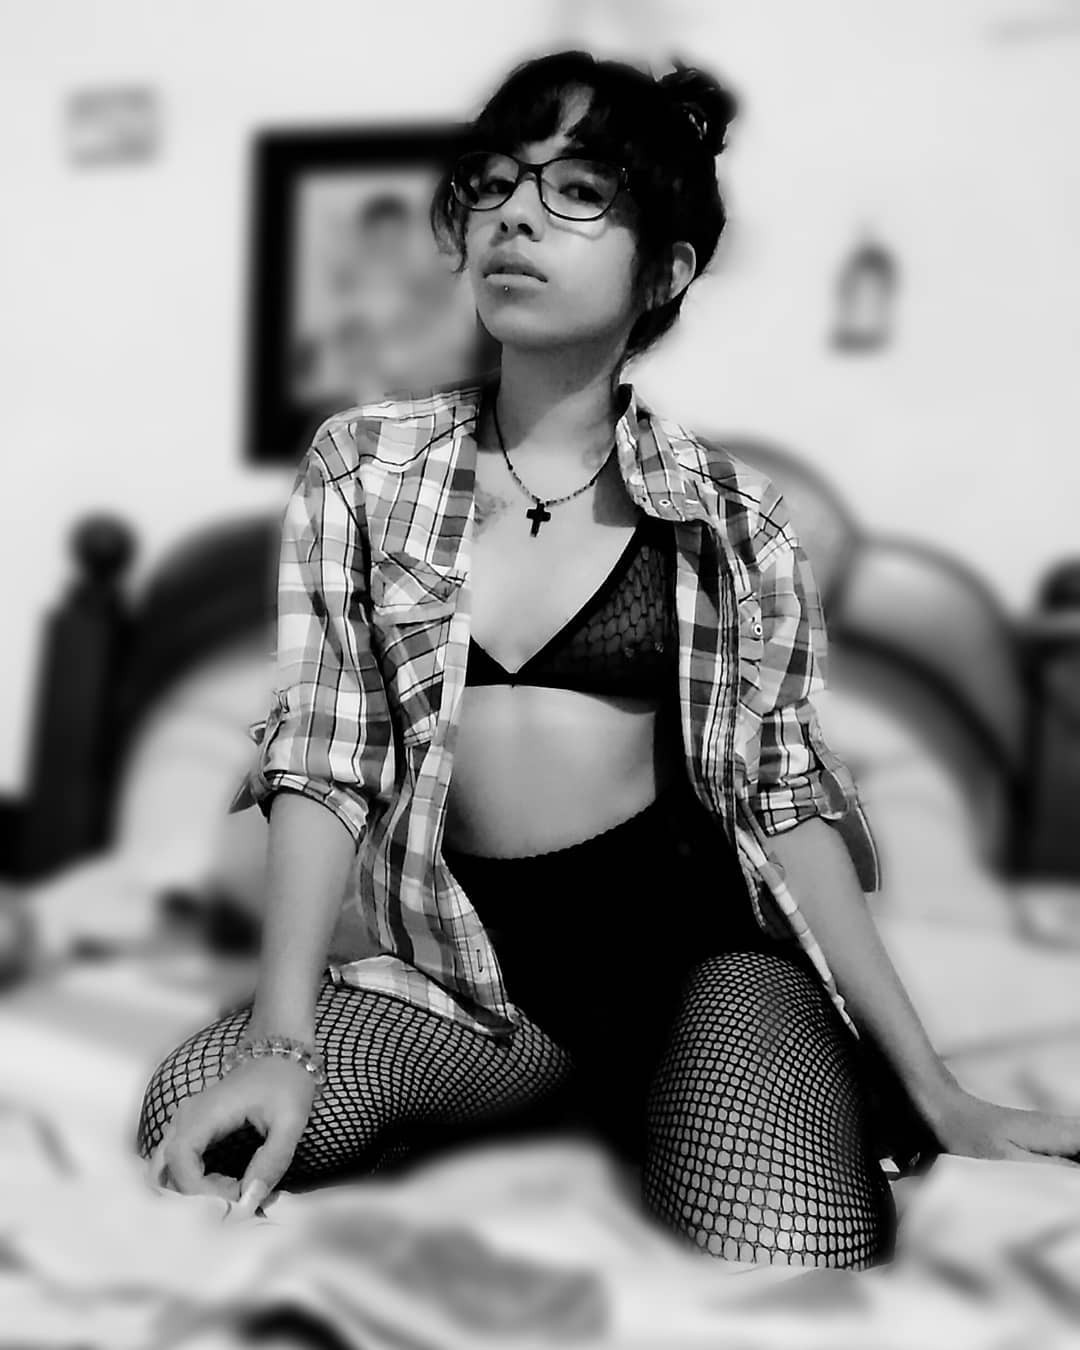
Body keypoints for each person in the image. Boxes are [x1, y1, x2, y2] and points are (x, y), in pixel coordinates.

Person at [137, 49, 1080, 1269]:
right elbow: (323, 754)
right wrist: (281, 1037)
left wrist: (939, 1093)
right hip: (475, 982)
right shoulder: (365, 467)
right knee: (196, 1119)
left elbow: (785, 802)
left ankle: (692, 1091)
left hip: (696, 960)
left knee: (787, 1239)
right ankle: (544, 1098)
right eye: (494, 183)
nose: (514, 216)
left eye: (579, 190)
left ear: (666, 270)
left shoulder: (735, 520)